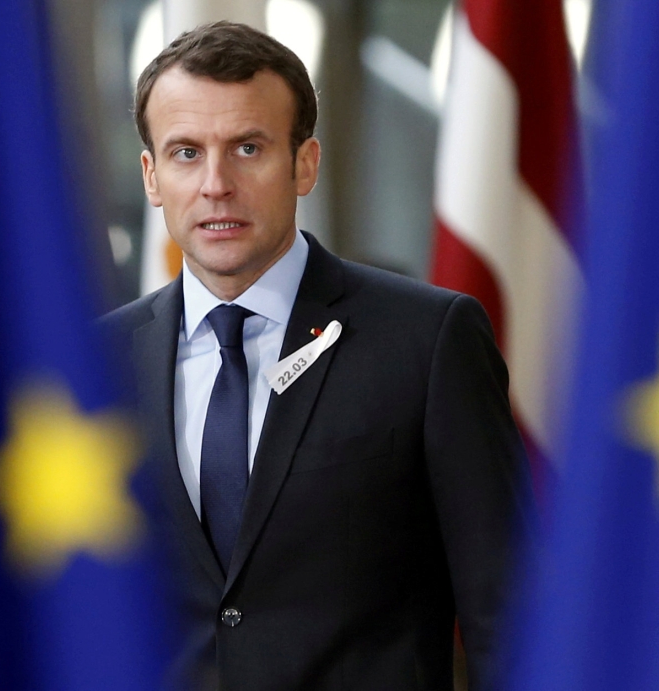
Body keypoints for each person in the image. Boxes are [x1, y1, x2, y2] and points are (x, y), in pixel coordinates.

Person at [103, 20, 535, 691]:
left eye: (248, 147)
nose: (216, 183)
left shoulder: (428, 340)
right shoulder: (99, 362)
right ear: (151, 176)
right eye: (186, 153)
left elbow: (508, 618)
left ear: (305, 162)